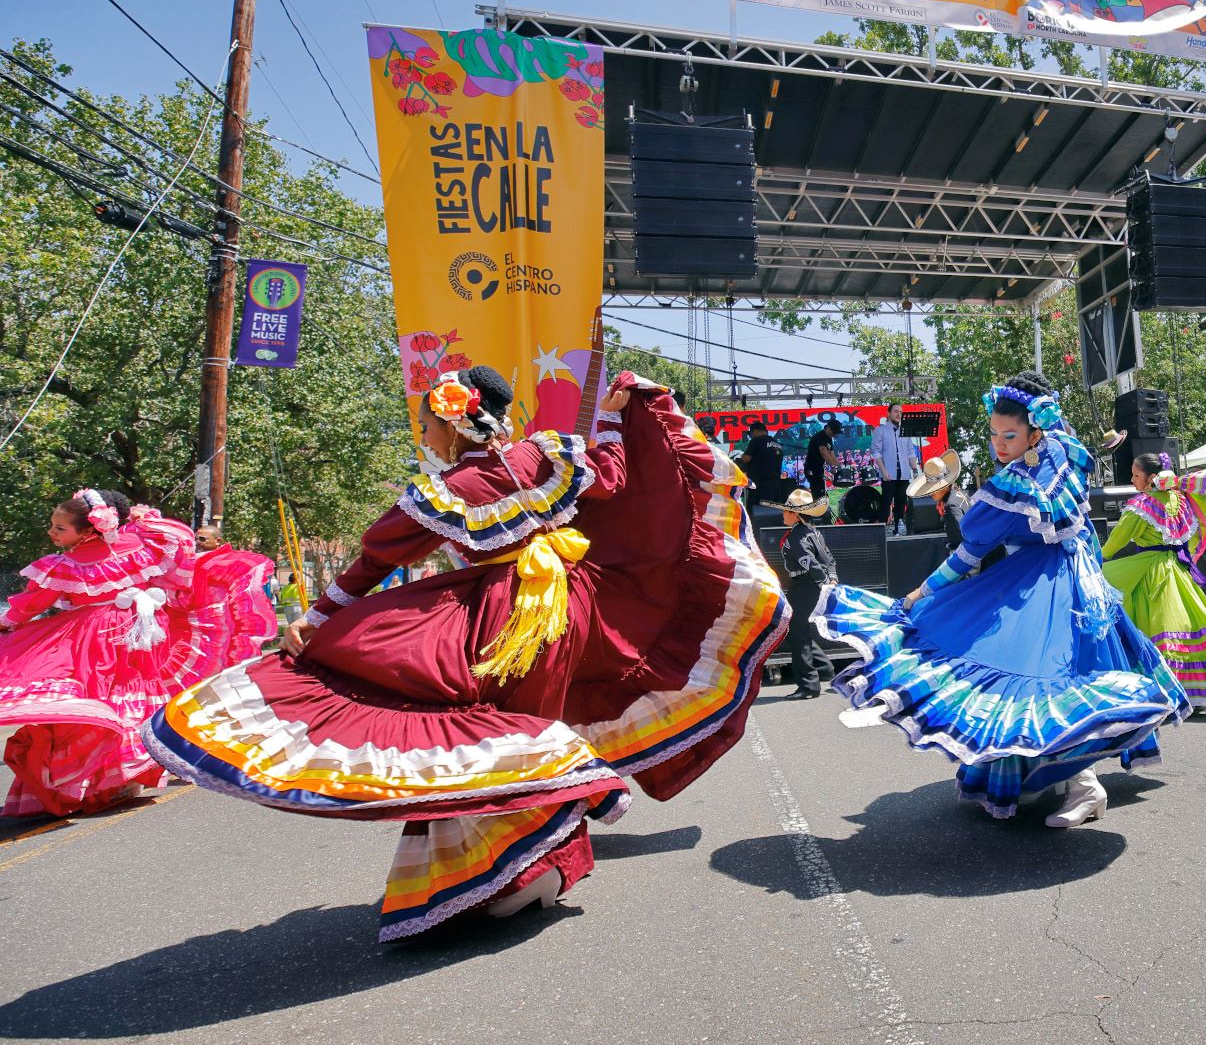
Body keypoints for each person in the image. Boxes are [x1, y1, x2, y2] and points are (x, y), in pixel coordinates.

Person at [145, 366, 788, 941]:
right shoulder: (547, 455)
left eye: (427, 424)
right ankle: (540, 855)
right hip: (573, 609)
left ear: (454, 424)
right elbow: (619, 475)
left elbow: (374, 560)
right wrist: (621, 415)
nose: (424, 435)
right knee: (531, 719)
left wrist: (316, 620)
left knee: (460, 717)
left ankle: (520, 860)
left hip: (501, 620)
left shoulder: (452, 488)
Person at [813, 371, 1188, 826]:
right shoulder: (1053, 460)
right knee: (1034, 678)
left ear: (1035, 432)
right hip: (1052, 582)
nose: (999, 443)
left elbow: (968, 555)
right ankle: (1035, 778)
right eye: (994, 434)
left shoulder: (1033, 473)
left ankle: (1086, 786)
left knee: (1052, 679)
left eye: (1009, 435)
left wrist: (924, 590)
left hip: (1056, 589)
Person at [0, 489, 209, 816]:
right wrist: (138, 520)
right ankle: (121, 777)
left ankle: (89, 782)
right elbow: (178, 540)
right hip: (140, 631)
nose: (51, 532)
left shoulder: (66, 564)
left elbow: (30, 604)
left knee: (96, 702)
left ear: (88, 530)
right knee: (125, 698)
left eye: (60, 528)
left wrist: (6, 623)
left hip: (97, 636)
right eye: (53, 526)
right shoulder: (139, 546)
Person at [1101, 453, 1206, 711]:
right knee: (1191, 626)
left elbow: (1116, 541)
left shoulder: (1142, 505)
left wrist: (1097, 557)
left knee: (1157, 628)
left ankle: (1163, 692)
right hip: (1177, 569)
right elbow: (1194, 535)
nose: (1132, 480)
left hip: (1150, 573)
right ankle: (1197, 690)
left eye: (1136, 475)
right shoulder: (1182, 499)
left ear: (1151, 478)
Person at [177, 517, 277, 673]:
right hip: (192, 617)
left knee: (221, 655)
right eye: (196, 539)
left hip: (220, 619)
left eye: (202, 539)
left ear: (217, 541)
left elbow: (241, 578)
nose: (197, 542)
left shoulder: (227, 561)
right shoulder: (191, 560)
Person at [769, 488, 838, 697]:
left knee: (798, 632)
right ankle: (824, 668)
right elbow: (829, 559)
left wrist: (824, 582)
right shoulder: (813, 531)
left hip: (805, 586)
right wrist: (831, 579)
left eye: (786, 511)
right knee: (797, 629)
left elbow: (811, 563)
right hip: (810, 586)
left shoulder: (797, 536)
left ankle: (808, 685)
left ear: (795, 514)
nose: (783, 514)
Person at [871, 405, 922, 538]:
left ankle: (898, 528)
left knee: (901, 501)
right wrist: (883, 471)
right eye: (896, 411)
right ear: (888, 413)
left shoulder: (905, 431)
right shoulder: (880, 430)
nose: (899, 414)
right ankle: (882, 529)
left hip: (904, 473)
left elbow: (911, 452)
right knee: (886, 501)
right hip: (888, 473)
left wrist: (915, 469)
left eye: (901, 412)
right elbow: (876, 452)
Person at [738, 421, 782, 509]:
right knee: (773, 511)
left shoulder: (756, 440)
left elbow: (747, 458)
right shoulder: (777, 444)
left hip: (760, 485)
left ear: (755, 432)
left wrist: (740, 459)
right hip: (776, 484)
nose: (751, 436)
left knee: (756, 511)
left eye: (751, 434)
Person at [805, 420, 843, 500]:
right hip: (812, 469)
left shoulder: (829, 438)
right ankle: (818, 507)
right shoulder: (820, 436)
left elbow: (832, 454)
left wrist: (839, 467)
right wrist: (833, 466)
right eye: (834, 432)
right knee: (818, 493)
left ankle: (822, 506)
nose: (835, 435)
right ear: (828, 428)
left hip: (819, 469)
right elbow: (824, 452)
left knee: (822, 493)